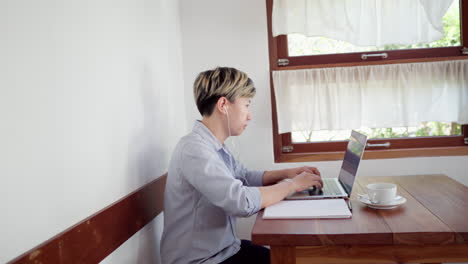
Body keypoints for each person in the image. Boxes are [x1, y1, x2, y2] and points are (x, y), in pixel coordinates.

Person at [160, 67, 322, 264]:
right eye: (246, 105)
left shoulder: (212, 145)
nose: (249, 115)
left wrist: (287, 173)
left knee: (290, 259)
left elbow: (243, 176)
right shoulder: (194, 150)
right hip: (202, 261)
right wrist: (292, 185)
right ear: (223, 105)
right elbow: (241, 202)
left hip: (226, 250)